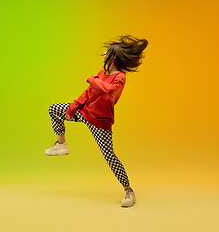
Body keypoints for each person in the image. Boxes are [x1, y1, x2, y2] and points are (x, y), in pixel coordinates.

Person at [45, 34, 148, 207]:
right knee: (54, 109)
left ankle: (128, 190)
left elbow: (104, 91)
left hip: (100, 122)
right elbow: (88, 93)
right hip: (84, 112)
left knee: (109, 156)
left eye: (107, 51)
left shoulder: (119, 78)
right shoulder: (102, 73)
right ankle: (61, 145)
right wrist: (72, 108)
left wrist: (92, 79)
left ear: (113, 56)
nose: (104, 53)